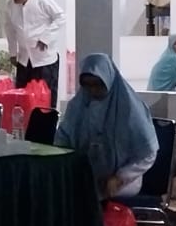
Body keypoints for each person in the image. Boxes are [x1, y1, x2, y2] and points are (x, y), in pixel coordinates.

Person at [57, 53, 160, 199]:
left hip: (122, 180)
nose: (92, 90)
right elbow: (62, 138)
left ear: (108, 80)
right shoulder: (78, 106)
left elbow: (148, 154)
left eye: (97, 85)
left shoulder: (130, 108)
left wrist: (120, 177)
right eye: (87, 85)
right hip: (86, 174)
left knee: (87, 195)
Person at [2, 0, 67, 109]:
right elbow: (9, 30)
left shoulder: (42, 1)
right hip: (24, 59)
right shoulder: (10, 5)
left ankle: (47, 121)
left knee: (45, 97)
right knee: (22, 97)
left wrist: (46, 38)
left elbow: (61, 17)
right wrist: (13, 52)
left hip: (44, 59)